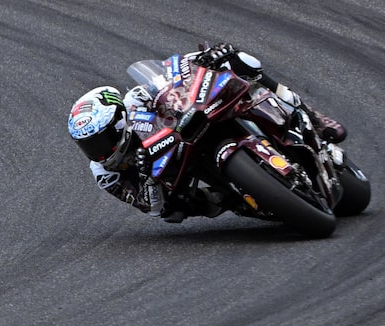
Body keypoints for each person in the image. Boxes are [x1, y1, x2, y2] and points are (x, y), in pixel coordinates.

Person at [67, 42, 347, 223]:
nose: (97, 152)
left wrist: (205, 58)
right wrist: (146, 176)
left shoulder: (136, 100)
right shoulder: (106, 175)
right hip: (178, 177)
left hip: (190, 126)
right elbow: (151, 208)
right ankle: (237, 196)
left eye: (100, 141)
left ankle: (314, 117)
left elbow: (173, 75)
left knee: (240, 62)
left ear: (120, 123)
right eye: (88, 145)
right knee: (177, 211)